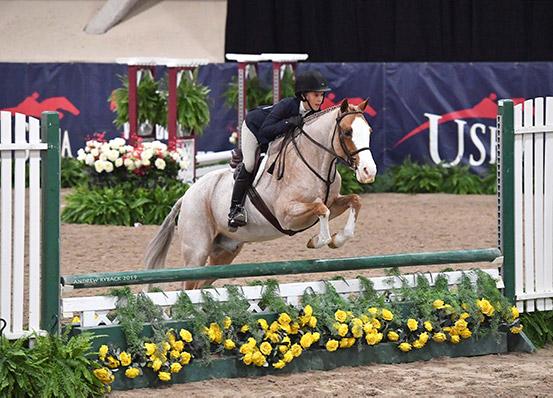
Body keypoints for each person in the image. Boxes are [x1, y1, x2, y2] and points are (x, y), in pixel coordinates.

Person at [228, 70, 332, 231]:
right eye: (316, 95)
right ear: (304, 95)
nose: (320, 99)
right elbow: (265, 131)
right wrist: (288, 122)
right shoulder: (287, 105)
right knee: (249, 164)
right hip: (255, 128)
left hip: (277, 137)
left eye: (321, 95)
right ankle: (235, 210)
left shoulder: (314, 113)